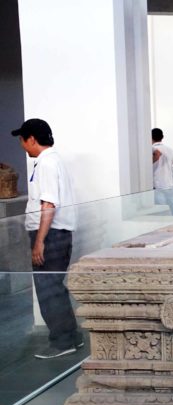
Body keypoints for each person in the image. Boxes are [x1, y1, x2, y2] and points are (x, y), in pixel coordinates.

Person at [11, 118, 83, 358]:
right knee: (54, 287)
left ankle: (62, 342)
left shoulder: (47, 164)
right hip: (54, 234)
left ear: (31, 139)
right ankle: (72, 337)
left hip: (51, 235)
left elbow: (48, 204)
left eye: (22, 140)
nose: (22, 145)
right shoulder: (50, 161)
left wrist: (40, 241)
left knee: (48, 289)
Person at [151, 128, 173, 216]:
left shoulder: (151, 149)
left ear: (150, 138)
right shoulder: (170, 150)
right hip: (170, 185)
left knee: (162, 211)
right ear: (162, 137)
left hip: (157, 186)